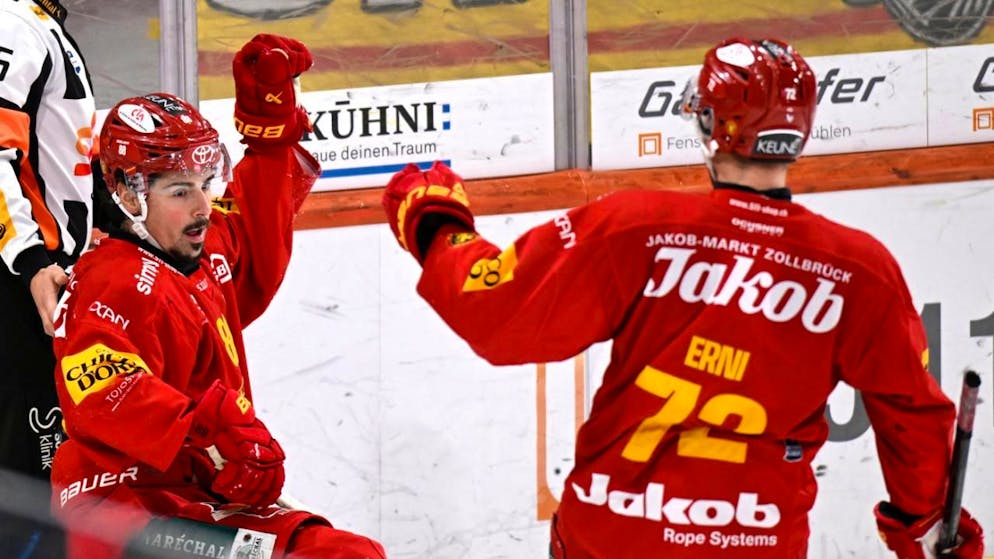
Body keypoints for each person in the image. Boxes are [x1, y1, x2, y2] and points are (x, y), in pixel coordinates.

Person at [381, 38, 984, 559]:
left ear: (707, 123)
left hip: (613, 536)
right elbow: (912, 415)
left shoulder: (636, 226)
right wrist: (929, 522)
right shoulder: (857, 269)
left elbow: (499, 312)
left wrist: (435, 218)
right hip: (757, 541)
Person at [49, 34, 386, 559]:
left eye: (207, 182)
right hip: (126, 508)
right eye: (179, 190)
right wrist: (210, 422)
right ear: (125, 191)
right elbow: (101, 385)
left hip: (198, 495)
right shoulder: (109, 278)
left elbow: (254, 230)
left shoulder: (197, 255)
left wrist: (271, 133)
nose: (203, 205)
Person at [0, 0, 96, 555]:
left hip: (36, 276)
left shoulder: (38, 23)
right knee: (34, 488)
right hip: (24, 288)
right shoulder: (14, 22)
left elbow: (62, 167)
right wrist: (32, 259)